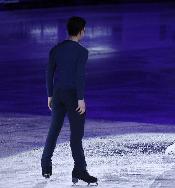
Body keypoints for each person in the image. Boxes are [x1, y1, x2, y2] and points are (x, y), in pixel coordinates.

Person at [41, 16, 98, 185]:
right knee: (76, 136)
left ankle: (45, 165)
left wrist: (50, 95)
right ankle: (79, 170)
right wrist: (80, 99)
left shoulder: (56, 49)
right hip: (73, 95)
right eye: (84, 30)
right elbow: (79, 76)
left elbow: (49, 73)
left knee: (54, 130)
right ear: (81, 32)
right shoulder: (82, 52)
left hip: (58, 94)